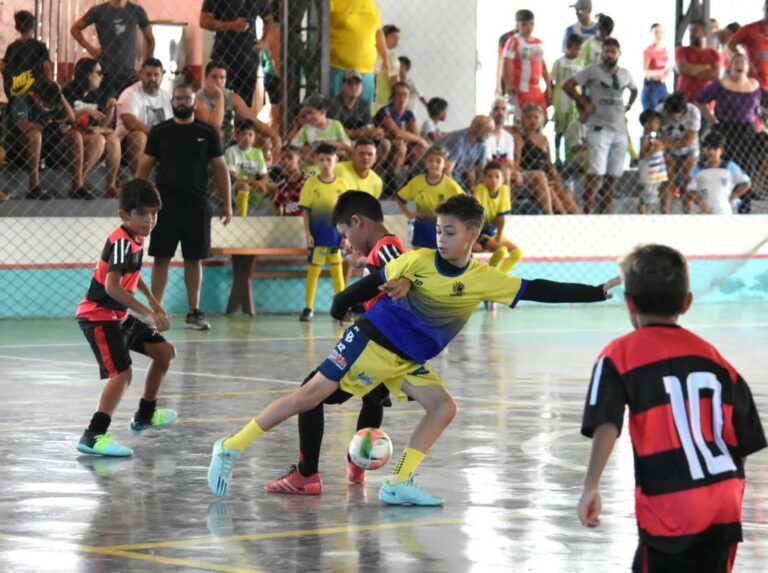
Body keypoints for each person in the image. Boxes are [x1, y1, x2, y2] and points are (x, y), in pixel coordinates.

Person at [207, 193, 621, 503]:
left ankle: (399, 481)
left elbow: (539, 289)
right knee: (308, 395)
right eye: (438, 230)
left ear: (473, 236)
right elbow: (366, 286)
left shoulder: (484, 279)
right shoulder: (417, 260)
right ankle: (230, 447)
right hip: (371, 340)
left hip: (405, 360)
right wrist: (349, 300)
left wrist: (596, 292)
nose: (440, 238)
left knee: (443, 408)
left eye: (450, 232)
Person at [578, 244, 765, 573]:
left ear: (629, 302)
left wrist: (591, 486)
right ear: (687, 302)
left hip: (670, 506)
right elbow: (743, 439)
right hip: (724, 505)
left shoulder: (618, 356)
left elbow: (607, 424)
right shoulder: (717, 361)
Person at [264, 191, 406, 494]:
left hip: (378, 345)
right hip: (387, 344)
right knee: (372, 396)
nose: (347, 242)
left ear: (357, 222)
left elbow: (399, 278)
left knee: (310, 392)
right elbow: (385, 292)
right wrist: (356, 305)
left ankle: (306, 475)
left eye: (345, 233)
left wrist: (343, 298)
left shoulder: (387, 248)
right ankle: (358, 463)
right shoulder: (382, 249)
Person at [75, 179, 177, 458]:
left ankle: (145, 414)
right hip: (98, 316)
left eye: (154, 213)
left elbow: (133, 273)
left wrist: (153, 300)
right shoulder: (121, 241)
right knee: (122, 374)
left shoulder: (137, 238)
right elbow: (112, 287)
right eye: (142, 213)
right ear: (124, 215)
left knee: (165, 353)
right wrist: (148, 313)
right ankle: (93, 435)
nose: (150, 220)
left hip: (116, 316)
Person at [137, 83, 232, 331]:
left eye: (186, 98)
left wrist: (227, 203)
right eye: (178, 98)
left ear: (194, 102)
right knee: (161, 258)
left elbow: (220, 168)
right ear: (172, 102)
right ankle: (156, 312)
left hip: (197, 205)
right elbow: (144, 167)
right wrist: (139, 201)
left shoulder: (207, 133)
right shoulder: (159, 132)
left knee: (194, 259)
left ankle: (194, 312)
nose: (182, 102)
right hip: (164, 207)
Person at [564, 38, 638, 214]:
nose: (609, 55)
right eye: (606, 51)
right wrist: (584, 102)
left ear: (619, 54)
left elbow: (634, 90)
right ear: (602, 53)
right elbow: (568, 85)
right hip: (599, 128)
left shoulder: (625, 74)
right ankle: (588, 214)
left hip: (620, 129)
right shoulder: (592, 71)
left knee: (612, 176)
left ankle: (606, 214)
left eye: (613, 51)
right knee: (595, 174)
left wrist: (628, 106)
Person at [695, 53, 761, 214]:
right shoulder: (721, 84)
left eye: (742, 63)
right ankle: (722, 205)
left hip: (746, 131)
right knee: (725, 166)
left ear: (747, 67)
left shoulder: (754, 85)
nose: (739, 65)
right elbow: (700, 99)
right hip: (725, 129)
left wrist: (760, 125)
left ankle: (744, 209)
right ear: (730, 67)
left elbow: (756, 110)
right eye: (736, 63)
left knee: (746, 168)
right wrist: (711, 119)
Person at [5, 80, 91, 200]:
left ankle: (77, 186)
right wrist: (47, 128)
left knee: (76, 135)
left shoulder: (50, 102)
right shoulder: (22, 100)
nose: (46, 109)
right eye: (45, 105)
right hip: (21, 147)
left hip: (46, 146)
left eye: (50, 107)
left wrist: (60, 94)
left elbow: (72, 119)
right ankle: (34, 187)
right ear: (36, 96)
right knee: (35, 134)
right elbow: (21, 124)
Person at [298, 143, 350, 322]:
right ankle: (308, 308)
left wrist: (346, 236)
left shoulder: (343, 184)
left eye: (329, 159)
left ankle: (341, 308)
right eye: (321, 160)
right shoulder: (311, 184)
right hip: (318, 236)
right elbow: (305, 210)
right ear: (316, 161)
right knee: (314, 271)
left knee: (337, 271)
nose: (325, 163)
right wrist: (308, 234)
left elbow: (346, 214)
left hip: (336, 237)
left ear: (336, 160)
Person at [70, 0, 154, 102]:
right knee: (106, 109)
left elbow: (150, 40)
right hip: (106, 76)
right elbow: (75, 29)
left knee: (130, 109)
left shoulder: (137, 11)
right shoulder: (98, 11)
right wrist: (90, 48)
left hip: (129, 76)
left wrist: (146, 68)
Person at [62, 57, 121, 198]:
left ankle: (110, 186)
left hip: (88, 137)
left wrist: (110, 109)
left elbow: (103, 124)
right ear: (88, 75)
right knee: (98, 140)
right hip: (68, 140)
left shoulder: (96, 95)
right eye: (99, 73)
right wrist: (84, 111)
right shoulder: (68, 92)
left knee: (113, 139)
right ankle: (77, 183)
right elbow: (63, 123)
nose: (102, 77)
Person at [199, 0, 274, 106]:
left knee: (246, 103)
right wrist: (231, 25)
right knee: (221, 100)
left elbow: (269, 18)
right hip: (224, 56)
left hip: (249, 58)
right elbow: (204, 21)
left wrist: (263, 41)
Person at [195, 61, 278, 150]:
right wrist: (219, 97)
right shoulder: (199, 99)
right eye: (214, 77)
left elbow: (252, 119)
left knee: (264, 141)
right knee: (218, 134)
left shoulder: (232, 97)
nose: (218, 81)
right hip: (206, 142)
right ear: (206, 78)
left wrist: (274, 135)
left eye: (222, 78)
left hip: (230, 142)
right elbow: (214, 127)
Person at [513, 103, 579, 215]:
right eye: (529, 117)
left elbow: (550, 164)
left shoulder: (544, 139)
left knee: (568, 201)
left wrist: (559, 183)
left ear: (542, 120)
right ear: (523, 120)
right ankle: (557, 218)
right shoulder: (520, 138)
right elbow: (517, 163)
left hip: (548, 179)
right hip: (533, 180)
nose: (533, 120)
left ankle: (575, 218)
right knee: (557, 203)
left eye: (536, 117)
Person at [396, 145, 464, 249]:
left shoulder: (450, 185)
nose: (434, 164)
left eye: (438, 161)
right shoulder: (417, 182)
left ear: (444, 164)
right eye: (430, 160)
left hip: (443, 227)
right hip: (422, 225)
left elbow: (464, 203)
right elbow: (400, 199)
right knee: (420, 254)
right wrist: (410, 215)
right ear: (425, 163)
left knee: (439, 254)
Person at [115, 58, 172, 175]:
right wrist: (157, 135)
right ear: (140, 75)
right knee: (139, 136)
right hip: (125, 145)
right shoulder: (131, 93)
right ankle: (140, 179)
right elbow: (129, 122)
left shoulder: (168, 97)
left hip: (160, 142)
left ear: (162, 75)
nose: (152, 78)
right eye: (148, 74)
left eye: (156, 75)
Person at [329, 0, 389, 107]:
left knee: (364, 113)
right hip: (338, 70)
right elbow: (320, 29)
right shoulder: (332, 2)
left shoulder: (371, 3)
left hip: (367, 72)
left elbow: (378, 32)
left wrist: (385, 57)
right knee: (335, 112)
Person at [326, 71, 391, 170]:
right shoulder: (334, 103)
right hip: (341, 140)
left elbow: (368, 126)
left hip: (361, 139)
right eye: (350, 83)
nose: (354, 86)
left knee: (386, 144)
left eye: (357, 83)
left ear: (362, 86)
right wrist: (366, 132)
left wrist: (376, 132)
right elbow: (336, 132)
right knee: (350, 148)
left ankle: (371, 173)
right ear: (343, 85)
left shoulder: (364, 104)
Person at [472, 161, 522, 275]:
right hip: (480, 233)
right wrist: (473, 240)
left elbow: (501, 219)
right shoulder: (481, 189)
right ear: (483, 179)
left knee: (517, 252)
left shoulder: (504, 190)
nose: (493, 180)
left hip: (494, 233)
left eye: (497, 177)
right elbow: (475, 218)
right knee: (501, 250)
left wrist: (498, 239)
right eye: (489, 176)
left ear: (503, 179)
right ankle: (491, 275)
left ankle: (501, 275)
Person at [687, 131, 751, 215]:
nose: (711, 152)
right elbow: (691, 190)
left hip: (723, 211)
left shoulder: (729, 167)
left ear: (722, 151)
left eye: (715, 149)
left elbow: (746, 183)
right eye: (708, 148)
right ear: (704, 149)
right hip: (703, 211)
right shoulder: (698, 168)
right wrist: (701, 202)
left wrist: (732, 197)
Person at [657, 92, 701, 214]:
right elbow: (658, 133)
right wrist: (667, 145)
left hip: (690, 150)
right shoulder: (660, 111)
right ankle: (664, 214)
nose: (675, 118)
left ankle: (687, 214)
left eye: (678, 114)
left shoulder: (693, 112)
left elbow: (688, 140)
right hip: (668, 151)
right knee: (667, 182)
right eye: (671, 114)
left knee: (687, 182)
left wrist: (669, 143)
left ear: (684, 109)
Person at [501, 9, 550, 120]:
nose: (528, 27)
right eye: (524, 24)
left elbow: (542, 64)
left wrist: (548, 83)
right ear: (517, 25)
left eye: (531, 24)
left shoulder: (538, 42)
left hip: (536, 88)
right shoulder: (513, 41)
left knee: (543, 118)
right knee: (524, 119)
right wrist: (508, 84)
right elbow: (506, 64)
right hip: (521, 88)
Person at [374, 82, 430, 176]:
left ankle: (409, 179)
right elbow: (397, 133)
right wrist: (421, 139)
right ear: (393, 97)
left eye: (405, 95)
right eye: (398, 94)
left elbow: (415, 134)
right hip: (382, 146)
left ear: (409, 98)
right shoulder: (385, 110)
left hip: (400, 145)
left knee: (420, 148)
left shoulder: (409, 114)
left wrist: (415, 139)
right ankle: (391, 178)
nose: (402, 98)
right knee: (401, 147)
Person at [1, 11, 52, 101]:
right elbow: (46, 67)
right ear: (33, 27)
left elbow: (3, 66)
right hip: (36, 94)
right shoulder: (40, 46)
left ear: (17, 27)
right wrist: (50, 84)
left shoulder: (12, 47)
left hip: (15, 93)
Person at [551, 34, 584, 165]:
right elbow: (551, 80)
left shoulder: (581, 63)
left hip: (575, 102)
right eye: (576, 48)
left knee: (573, 130)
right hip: (561, 101)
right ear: (568, 47)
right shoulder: (558, 63)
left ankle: (571, 159)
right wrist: (551, 96)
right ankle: (557, 157)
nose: (578, 51)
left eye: (580, 49)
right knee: (560, 130)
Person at [440, 115, 495, 193]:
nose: (491, 135)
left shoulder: (481, 144)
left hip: (458, 179)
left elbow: (480, 170)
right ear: (479, 131)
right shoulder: (458, 141)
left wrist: (476, 187)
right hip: (438, 178)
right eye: (489, 131)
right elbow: (446, 172)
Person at [291, 94, 351, 163]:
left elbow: (347, 146)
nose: (308, 117)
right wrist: (311, 154)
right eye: (305, 114)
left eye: (310, 112)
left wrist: (331, 144)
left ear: (322, 112)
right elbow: (294, 145)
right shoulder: (306, 128)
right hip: (315, 164)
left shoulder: (336, 125)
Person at [226, 119, 268, 216]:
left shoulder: (257, 153)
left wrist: (261, 183)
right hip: (235, 186)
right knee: (244, 186)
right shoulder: (231, 151)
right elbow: (233, 177)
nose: (247, 138)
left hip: (254, 185)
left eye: (250, 135)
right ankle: (242, 218)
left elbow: (265, 176)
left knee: (273, 187)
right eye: (243, 134)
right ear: (236, 135)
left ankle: (277, 216)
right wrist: (254, 183)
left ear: (255, 137)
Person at [675, 19, 721, 103]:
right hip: (684, 100)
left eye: (695, 30)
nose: (691, 34)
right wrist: (706, 67)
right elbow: (682, 69)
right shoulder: (681, 50)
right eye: (690, 31)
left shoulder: (713, 53)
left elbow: (715, 74)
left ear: (705, 33)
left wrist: (691, 72)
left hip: (705, 100)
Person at [727, 2, 768, 90]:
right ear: (764, 9)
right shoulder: (750, 28)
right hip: (751, 81)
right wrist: (743, 60)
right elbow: (731, 44)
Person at [637, 110, 667, 214]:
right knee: (649, 193)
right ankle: (644, 212)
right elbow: (642, 155)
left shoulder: (655, 136)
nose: (659, 125)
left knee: (653, 193)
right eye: (656, 122)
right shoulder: (645, 137)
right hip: (649, 170)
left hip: (656, 169)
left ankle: (648, 212)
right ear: (647, 123)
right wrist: (655, 149)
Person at [484, 97, 516, 183]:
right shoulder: (485, 135)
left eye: (503, 109)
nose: (500, 112)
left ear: (507, 114)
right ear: (491, 113)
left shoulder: (509, 137)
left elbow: (510, 162)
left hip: (504, 171)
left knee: (510, 173)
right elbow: (487, 161)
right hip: (486, 170)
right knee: (505, 173)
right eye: (496, 109)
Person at [272, 145, 309, 216]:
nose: (285, 161)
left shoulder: (311, 180)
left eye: (289, 157)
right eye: (282, 158)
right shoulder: (281, 185)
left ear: (299, 161)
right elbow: (279, 208)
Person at [642, 24, 671, 111]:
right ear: (651, 34)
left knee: (665, 112)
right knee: (652, 114)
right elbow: (645, 72)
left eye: (661, 32)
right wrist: (661, 72)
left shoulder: (664, 50)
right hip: (651, 86)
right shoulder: (649, 51)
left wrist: (666, 73)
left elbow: (664, 69)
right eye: (656, 32)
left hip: (662, 85)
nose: (659, 35)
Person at [374, 25, 401, 112]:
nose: (397, 42)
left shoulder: (371, 53)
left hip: (370, 100)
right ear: (383, 36)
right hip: (385, 103)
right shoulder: (391, 57)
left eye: (398, 39)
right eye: (394, 37)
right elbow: (395, 82)